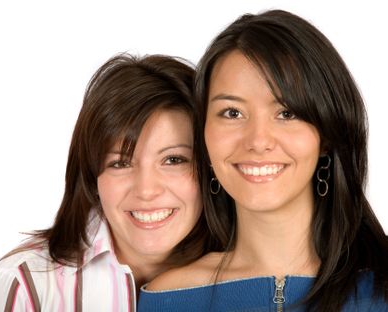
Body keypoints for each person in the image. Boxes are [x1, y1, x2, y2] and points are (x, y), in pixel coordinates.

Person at [138, 9, 388, 311]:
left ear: (327, 135)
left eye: (286, 113)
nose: (258, 141)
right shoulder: (167, 298)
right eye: (232, 113)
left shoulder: (380, 286)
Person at [0, 53, 220, 311]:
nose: (147, 190)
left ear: (211, 167)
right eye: (120, 163)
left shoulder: (247, 282)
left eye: (173, 160)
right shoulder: (24, 285)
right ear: (92, 177)